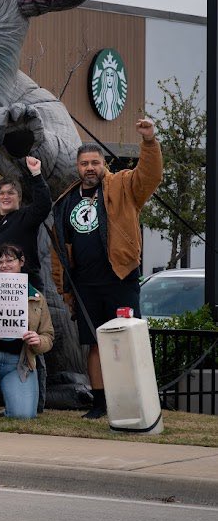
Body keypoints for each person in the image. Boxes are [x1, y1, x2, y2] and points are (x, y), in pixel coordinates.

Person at [52, 119, 162, 419]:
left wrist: (149, 142)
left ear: (104, 163)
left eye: (95, 162)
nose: (90, 167)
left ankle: (132, 399)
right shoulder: (66, 200)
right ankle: (99, 403)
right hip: (85, 285)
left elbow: (149, 176)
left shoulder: (123, 186)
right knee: (95, 345)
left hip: (120, 277)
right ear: (77, 167)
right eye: (84, 163)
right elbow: (59, 248)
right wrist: (65, 288)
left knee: (126, 342)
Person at [0, 244, 55, 419]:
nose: (4, 265)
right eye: (0, 262)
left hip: (18, 364)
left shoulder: (36, 297)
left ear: (21, 262)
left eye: (10, 260)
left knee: (23, 415)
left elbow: (49, 336)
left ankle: (9, 405)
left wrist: (38, 341)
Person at [0, 156, 52, 290]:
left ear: (19, 197)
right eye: (1, 193)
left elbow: (43, 205)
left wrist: (36, 174)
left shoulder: (25, 217)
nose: (5, 196)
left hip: (23, 289)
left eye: (10, 193)